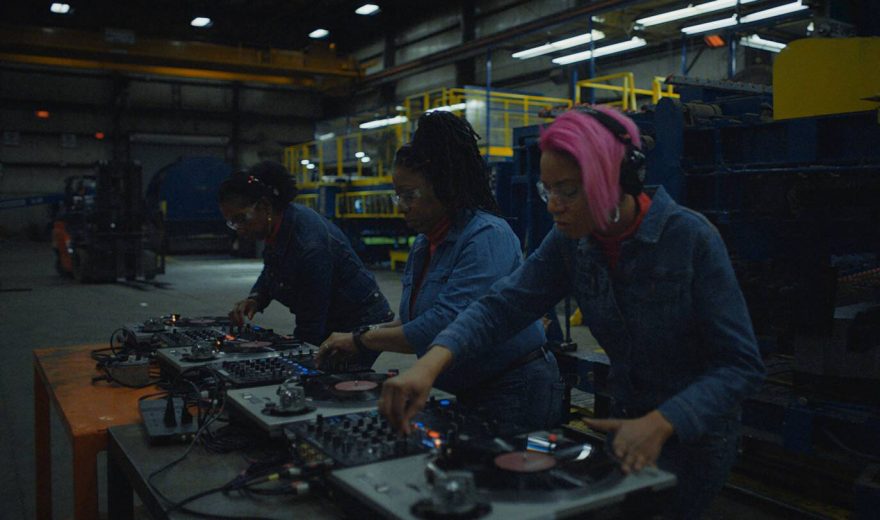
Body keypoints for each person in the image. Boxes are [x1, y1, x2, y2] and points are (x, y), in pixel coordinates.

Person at [377, 106, 765, 519]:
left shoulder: (690, 239)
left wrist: (662, 422)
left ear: (617, 179)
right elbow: (503, 305)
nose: (553, 206)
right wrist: (431, 363)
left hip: (694, 436)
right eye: (548, 190)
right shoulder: (572, 242)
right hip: (625, 425)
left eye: (568, 191)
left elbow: (740, 365)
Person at [316, 111, 563, 432]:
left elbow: (441, 324)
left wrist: (360, 340)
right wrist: (363, 334)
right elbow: (414, 319)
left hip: (512, 389)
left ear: (443, 188)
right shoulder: (425, 242)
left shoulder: (487, 235)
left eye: (410, 195)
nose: (401, 205)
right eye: (397, 195)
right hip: (462, 387)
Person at [219, 161, 393, 362]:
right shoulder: (279, 224)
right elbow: (272, 268)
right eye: (232, 222)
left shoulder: (310, 246)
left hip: (360, 320)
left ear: (265, 206)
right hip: (331, 316)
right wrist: (256, 298)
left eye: (241, 219)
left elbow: (311, 324)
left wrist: (294, 361)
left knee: (331, 376)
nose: (238, 229)